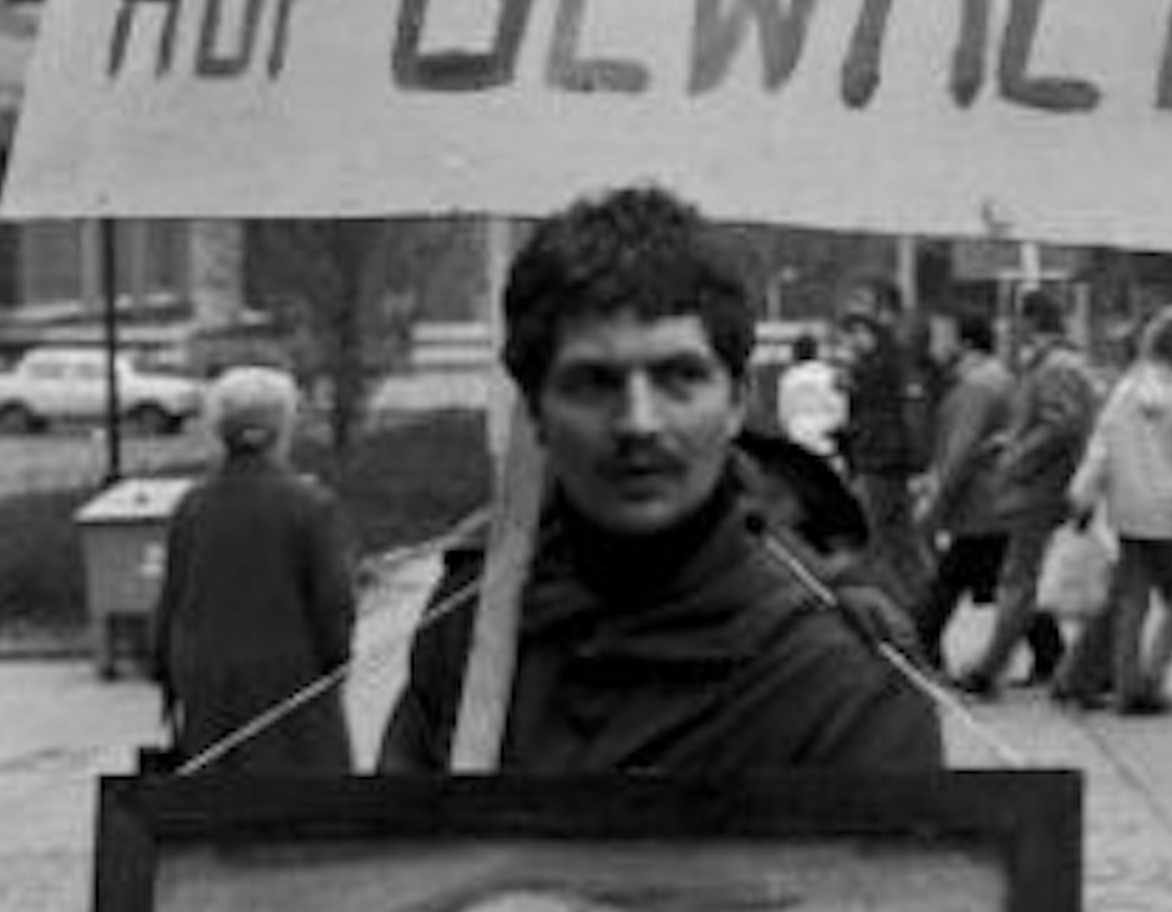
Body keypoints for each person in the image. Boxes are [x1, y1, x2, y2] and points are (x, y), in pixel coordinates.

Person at [377, 185, 944, 773]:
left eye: (679, 376)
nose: (638, 423)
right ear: (536, 412)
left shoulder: (841, 683)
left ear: (736, 401)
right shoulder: (472, 632)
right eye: (595, 381)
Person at [153, 365, 356, 772]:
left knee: (216, 808)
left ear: (218, 430)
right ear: (284, 428)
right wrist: (334, 665)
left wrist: (169, 680)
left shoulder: (192, 507)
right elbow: (334, 605)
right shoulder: (310, 506)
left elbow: (170, 604)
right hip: (291, 690)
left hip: (207, 691)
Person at [1067, 303, 1172, 714]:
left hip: (1129, 510)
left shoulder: (1125, 389)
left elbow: (1101, 446)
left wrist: (1083, 493)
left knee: (1130, 602)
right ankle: (1153, 675)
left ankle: (1126, 689)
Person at [954, 290, 1095, 699]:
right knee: (1032, 582)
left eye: (1013, 322)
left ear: (1029, 321)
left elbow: (1060, 425)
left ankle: (988, 669)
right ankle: (1081, 669)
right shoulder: (1056, 364)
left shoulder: (1054, 367)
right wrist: (1008, 440)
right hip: (1047, 487)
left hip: (1042, 490)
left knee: (1019, 582)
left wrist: (1015, 457)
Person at [909, 313, 1013, 674]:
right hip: (994, 500)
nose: (934, 345)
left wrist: (934, 503)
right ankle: (1050, 653)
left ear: (964, 343)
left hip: (980, 502)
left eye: (942, 337)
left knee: (951, 579)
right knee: (1002, 578)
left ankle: (920, 647)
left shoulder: (976, 387)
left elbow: (960, 452)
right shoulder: (995, 377)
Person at [835, 299, 930, 613]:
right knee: (902, 541)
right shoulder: (893, 360)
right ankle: (926, 603)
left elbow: (857, 399)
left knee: (869, 538)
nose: (846, 344)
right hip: (893, 461)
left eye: (848, 336)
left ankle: (891, 606)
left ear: (861, 332)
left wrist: (848, 373)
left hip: (878, 460)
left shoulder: (873, 365)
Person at [774, 331, 849, 464]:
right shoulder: (830, 375)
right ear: (816, 352)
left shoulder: (788, 378)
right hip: (826, 445)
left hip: (798, 444)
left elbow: (784, 415)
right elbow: (841, 411)